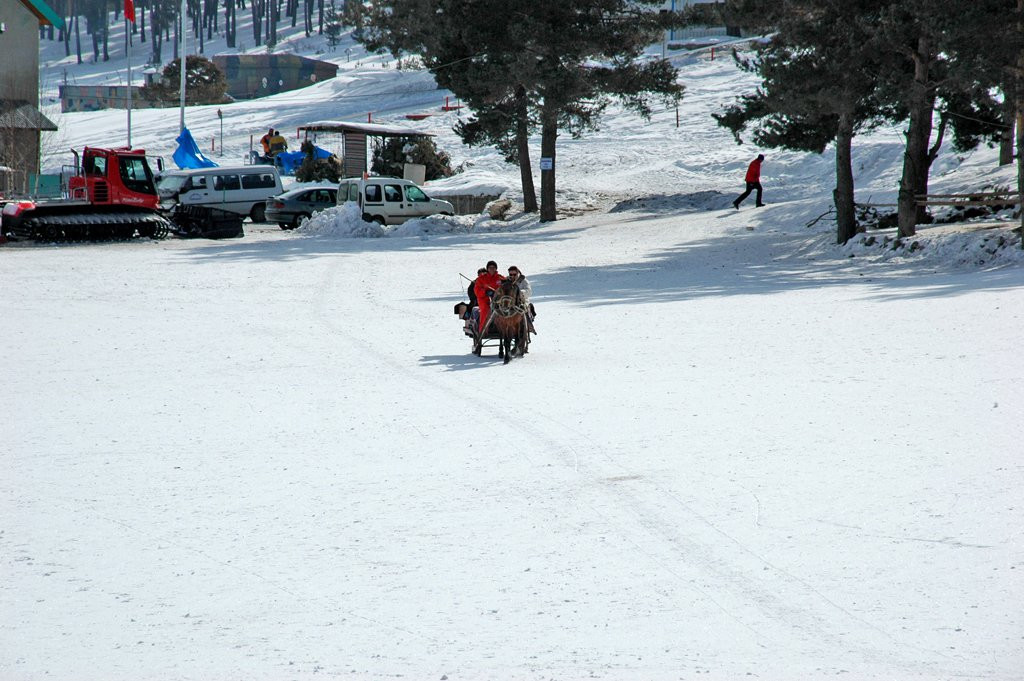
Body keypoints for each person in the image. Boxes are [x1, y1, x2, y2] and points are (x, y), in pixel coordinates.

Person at [473, 260, 503, 333]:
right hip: (484, 299)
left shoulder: (501, 278)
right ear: (487, 269)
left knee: (504, 310)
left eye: (493, 267)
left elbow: (506, 287)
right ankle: (483, 330)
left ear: (496, 268)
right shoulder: (481, 279)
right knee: (485, 310)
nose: (492, 269)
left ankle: (503, 328)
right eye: (490, 268)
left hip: (498, 299)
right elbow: (477, 291)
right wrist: (485, 292)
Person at [505, 265, 536, 334]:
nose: (512, 276)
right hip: (510, 302)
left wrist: (520, 292)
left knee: (524, 309)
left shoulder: (523, 281)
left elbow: (529, 291)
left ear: (517, 273)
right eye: (511, 274)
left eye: (514, 274)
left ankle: (529, 325)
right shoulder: (507, 280)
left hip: (522, 301)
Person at [463, 267, 486, 335]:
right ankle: (472, 325)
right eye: (481, 274)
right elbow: (470, 292)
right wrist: (476, 297)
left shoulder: (488, 282)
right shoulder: (474, 283)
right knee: (472, 309)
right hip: (476, 301)